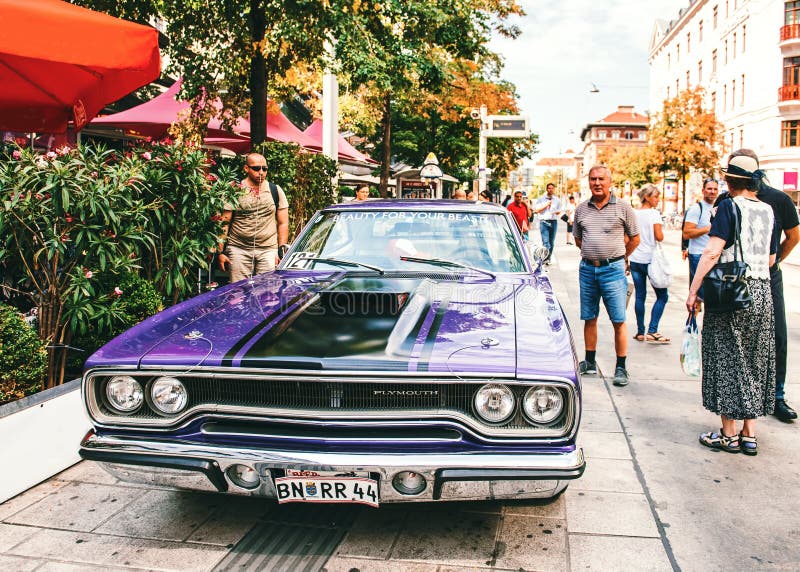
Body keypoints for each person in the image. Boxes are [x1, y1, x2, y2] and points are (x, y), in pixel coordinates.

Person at [688, 152, 778, 455]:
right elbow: (771, 258)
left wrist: (694, 290)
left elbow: (712, 252)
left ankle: (728, 434)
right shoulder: (768, 210)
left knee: (725, 356)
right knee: (755, 358)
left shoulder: (728, 207)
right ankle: (749, 433)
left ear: (729, 180)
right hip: (762, 290)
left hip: (732, 292)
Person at [725, 151, 799, 422]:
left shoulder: (778, 199)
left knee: (775, 336)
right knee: (733, 338)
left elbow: (794, 235)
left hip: (769, 277)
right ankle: (735, 397)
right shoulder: (728, 199)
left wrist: (775, 260)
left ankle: (776, 396)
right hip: (735, 279)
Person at [573, 165, 640, 386]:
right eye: (593, 179)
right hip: (587, 270)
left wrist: (619, 257)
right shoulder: (581, 209)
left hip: (613, 271)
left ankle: (621, 368)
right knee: (589, 317)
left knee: (618, 319)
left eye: (601, 179)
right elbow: (578, 239)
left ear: (610, 182)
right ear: (588, 182)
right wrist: (594, 254)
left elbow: (635, 238)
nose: (597, 183)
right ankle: (589, 362)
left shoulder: (623, 208)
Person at [217, 153, 289, 283]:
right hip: (239, 249)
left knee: (267, 293)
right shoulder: (234, 190)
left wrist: (280, 252)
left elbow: (283, 223)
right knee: (238, 293)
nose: (261, 172)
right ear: (246, 168)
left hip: (268, 249)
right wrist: (220, 253)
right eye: (256, 168)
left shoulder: (275, 190)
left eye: (264, 169)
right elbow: (224, 223)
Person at [628, 185, 669, 343]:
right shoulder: (654, 214)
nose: (658, 200)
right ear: (647, 197)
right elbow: (659, 237)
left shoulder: (634, 214)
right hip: (651, 260)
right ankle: (653, 330)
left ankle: (640, 331)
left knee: (640, 296)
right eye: (656, 197)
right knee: (662, 296)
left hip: (636, 259)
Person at [682, 178, 719, 312]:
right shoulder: (697, 209)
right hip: (697, 255)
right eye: (709, 189)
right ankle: (691, 328)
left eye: (715, 189)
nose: (712, 192)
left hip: (712, 256)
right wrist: (709, 228)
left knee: (711, 295)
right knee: (697, 295)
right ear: (703, 191)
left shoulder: (717, 208)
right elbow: (687, 233)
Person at [534, 183, 561, 263]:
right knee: (546, 242)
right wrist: (546, 205)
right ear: (546, 189)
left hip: (553, 221)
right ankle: (545, 258)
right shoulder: (541, 199)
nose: (551, 189)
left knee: (551, 242)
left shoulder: (557, 200)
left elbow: (559, 211)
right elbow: (537, 210)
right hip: (544, 221)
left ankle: (548, 257)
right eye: (549, 188)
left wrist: (555, 211)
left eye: (552, 188)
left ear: (554, 189)